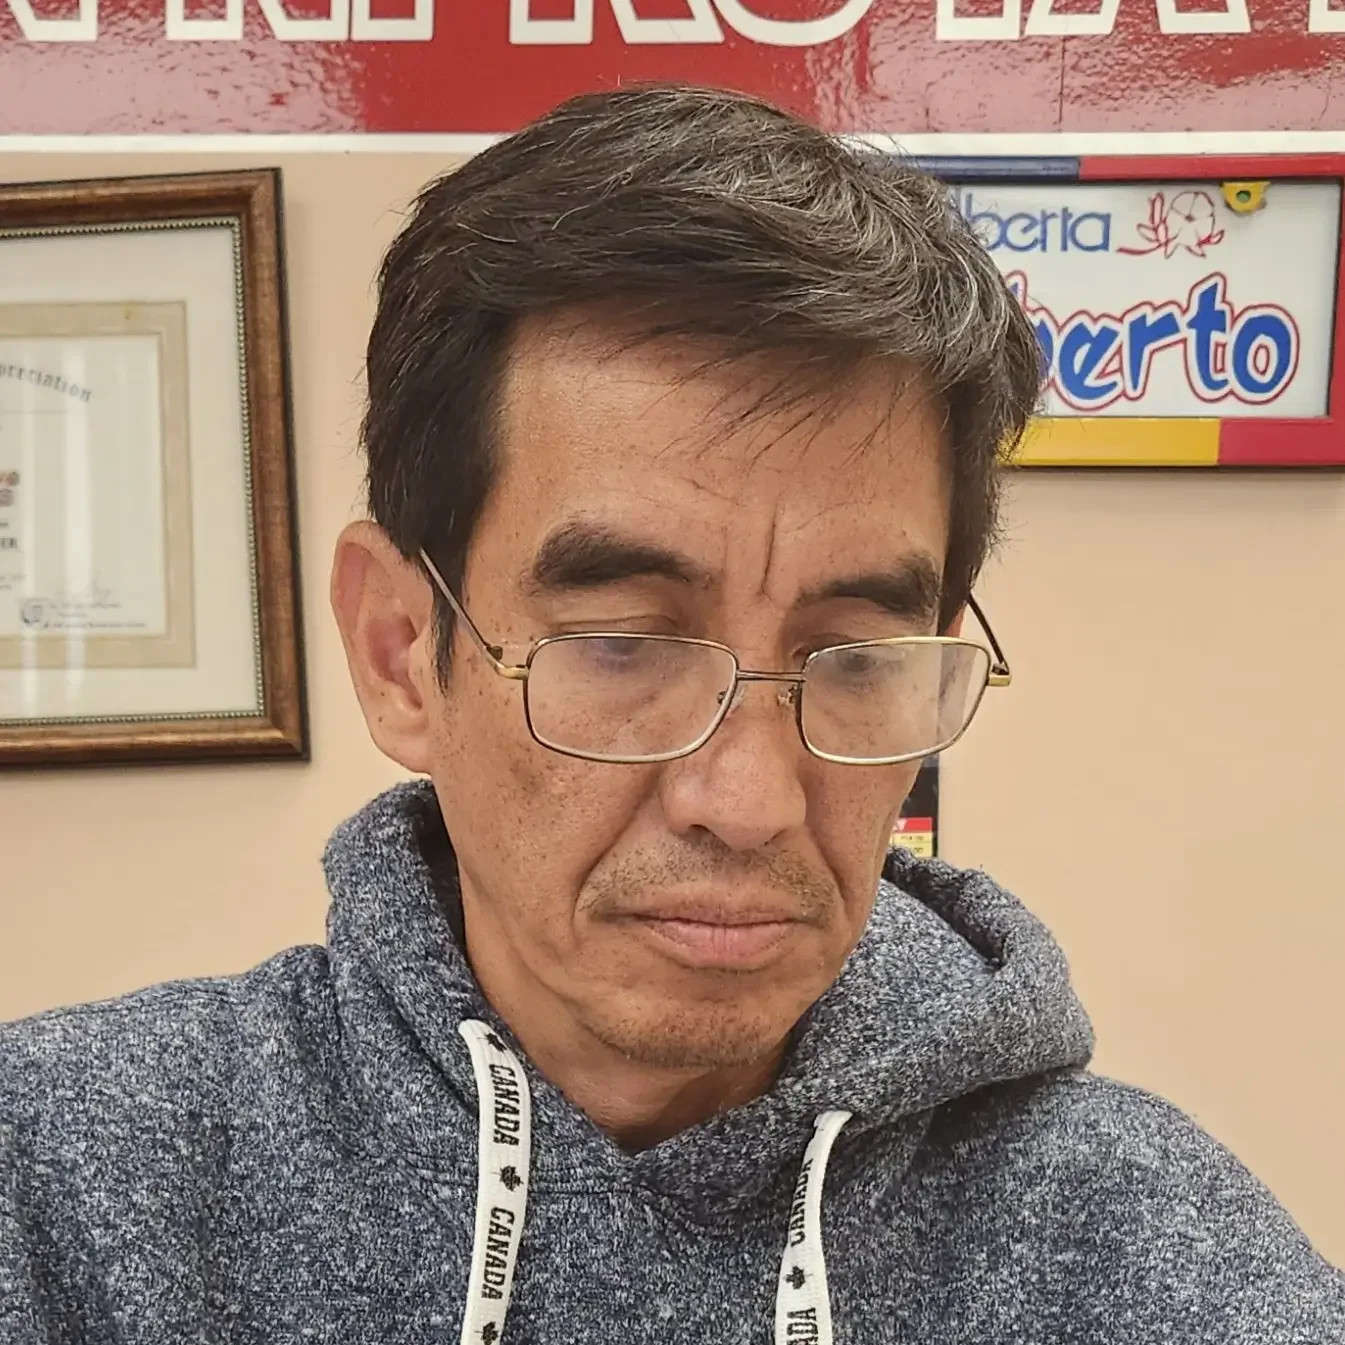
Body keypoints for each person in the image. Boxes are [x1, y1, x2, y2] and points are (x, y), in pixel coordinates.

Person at [1, 85, 1341, 1345]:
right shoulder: (66, 1185)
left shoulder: (1147, 1246)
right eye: (625, 645)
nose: (750, 800)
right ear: (404, 653)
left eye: (858, 655)